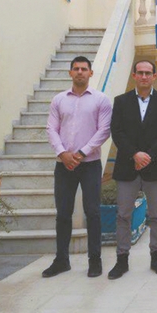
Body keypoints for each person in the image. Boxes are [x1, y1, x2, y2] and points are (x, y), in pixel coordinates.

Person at [44, 56, 112, 278]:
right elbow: (51, 129)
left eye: (84, 69)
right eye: (76, 69)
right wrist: (63, 153)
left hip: (90, 164)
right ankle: (61, 260)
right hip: (63, 165)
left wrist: (81, 153)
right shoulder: (59, 100)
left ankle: (95, 260)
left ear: (90, 73)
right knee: (63, 213)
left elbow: (104, 130)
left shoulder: (101, 100)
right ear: (70, 73)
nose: (80, 72)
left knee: (93, 212)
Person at [107, 60, 157, 279]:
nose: (144, 76)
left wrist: (149, 156)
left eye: (148, 73)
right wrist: (134, 154)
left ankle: (156, 256)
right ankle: (122, 259)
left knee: (156, 215)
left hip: (155, 168)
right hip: (127, 166)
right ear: (134, 75)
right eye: (140, 73)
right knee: (123, 215)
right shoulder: (121, 101)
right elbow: (117, 131)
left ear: (154, 76)